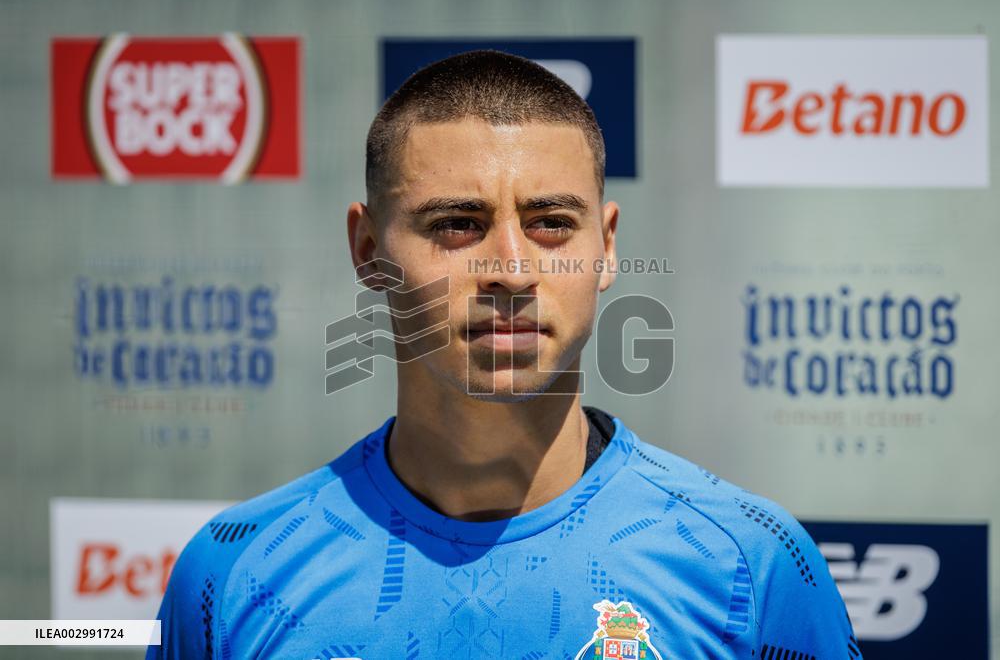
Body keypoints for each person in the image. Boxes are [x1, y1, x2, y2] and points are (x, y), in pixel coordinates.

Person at [150, 50, 861, 659]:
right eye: (457, 224)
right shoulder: (236, 570)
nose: (513, 270)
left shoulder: (750, 565)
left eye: (552, 223)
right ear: (368, 251)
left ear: (606, 248)